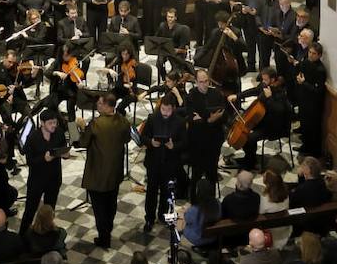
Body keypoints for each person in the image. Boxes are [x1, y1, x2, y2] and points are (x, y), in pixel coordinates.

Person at [80, 91, 131, 249]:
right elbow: (127, 139)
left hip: (97, 175)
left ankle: (104, 237)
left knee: (99, 208)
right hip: (114, 173)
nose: (97, 105)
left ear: (107, 106)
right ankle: (106, 232)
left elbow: (82, 143)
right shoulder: (123, 121)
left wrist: (78, 126)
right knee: (111, 205)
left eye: (100, 103)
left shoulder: (96, 124)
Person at [139, 96, 185, 233]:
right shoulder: (153, 118)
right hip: (154, 163)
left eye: (168, 110)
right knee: (151, 193)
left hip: (170, 164)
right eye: (163, 109)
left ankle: (163, 215)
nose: (165, 112)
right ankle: (149, 218)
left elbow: (184, 142)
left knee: (167, 193)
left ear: (173, 109)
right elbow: (143, 137)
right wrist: (151, 142)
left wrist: (174, 146)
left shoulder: (180, 122)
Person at [22, 111, 69, 232]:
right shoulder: (33, 137)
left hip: (54, 177)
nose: (53, 125)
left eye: (55, 122)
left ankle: (47, 232)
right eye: (50, 123)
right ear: (42, 123)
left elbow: (63, 147)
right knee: (30, 210)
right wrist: (44, 158)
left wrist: (65, 154)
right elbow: (30, 161)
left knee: (50, 209)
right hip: (37, 180)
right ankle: (22, 235)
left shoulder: (58, 133)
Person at [186, 68, 227, 189]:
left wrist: (203, 118)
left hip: (214, 138)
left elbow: (224, 115)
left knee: (212, 171)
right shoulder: (191, 96)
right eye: (201, 82)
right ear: (196, 82)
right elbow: (192, 120)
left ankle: (211, 199)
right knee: (197, 173)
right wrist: (209, 120)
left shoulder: (216, 94)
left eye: (206, 81)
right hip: (197, 141)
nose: (205, 84)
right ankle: (194, 199)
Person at [295, 41, 327, 158]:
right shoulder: (306, 62)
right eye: (309, 52)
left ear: (319, 55)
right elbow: (301, 74)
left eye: (314, 53)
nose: (310, 55)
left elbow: (318, 90)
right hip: (304, 99)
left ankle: (313, 151)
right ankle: (305, 146)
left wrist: (304, 83)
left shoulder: (320, 70)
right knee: (304, 125)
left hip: (314, 104)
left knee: (313, 128)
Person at [179, 179, 221, 248]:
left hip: (199, 238)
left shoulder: (196, 209)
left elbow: (187, 218)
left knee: (180, 221)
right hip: (213, 236)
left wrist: (187, 210)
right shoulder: (218, 203)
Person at [288, 157, 331, 221]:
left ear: (308, 170)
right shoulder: (322, 183)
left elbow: (292, 203)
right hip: (321, 217)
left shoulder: (301, 189)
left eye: (302, 167)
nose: (301, 169)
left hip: (306, 221)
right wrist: (301, 177)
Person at [259, 168, 292, 248]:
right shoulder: (286, 194)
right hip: (285, 227)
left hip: (271, 231)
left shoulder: (264, 199)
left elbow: (260, 213)